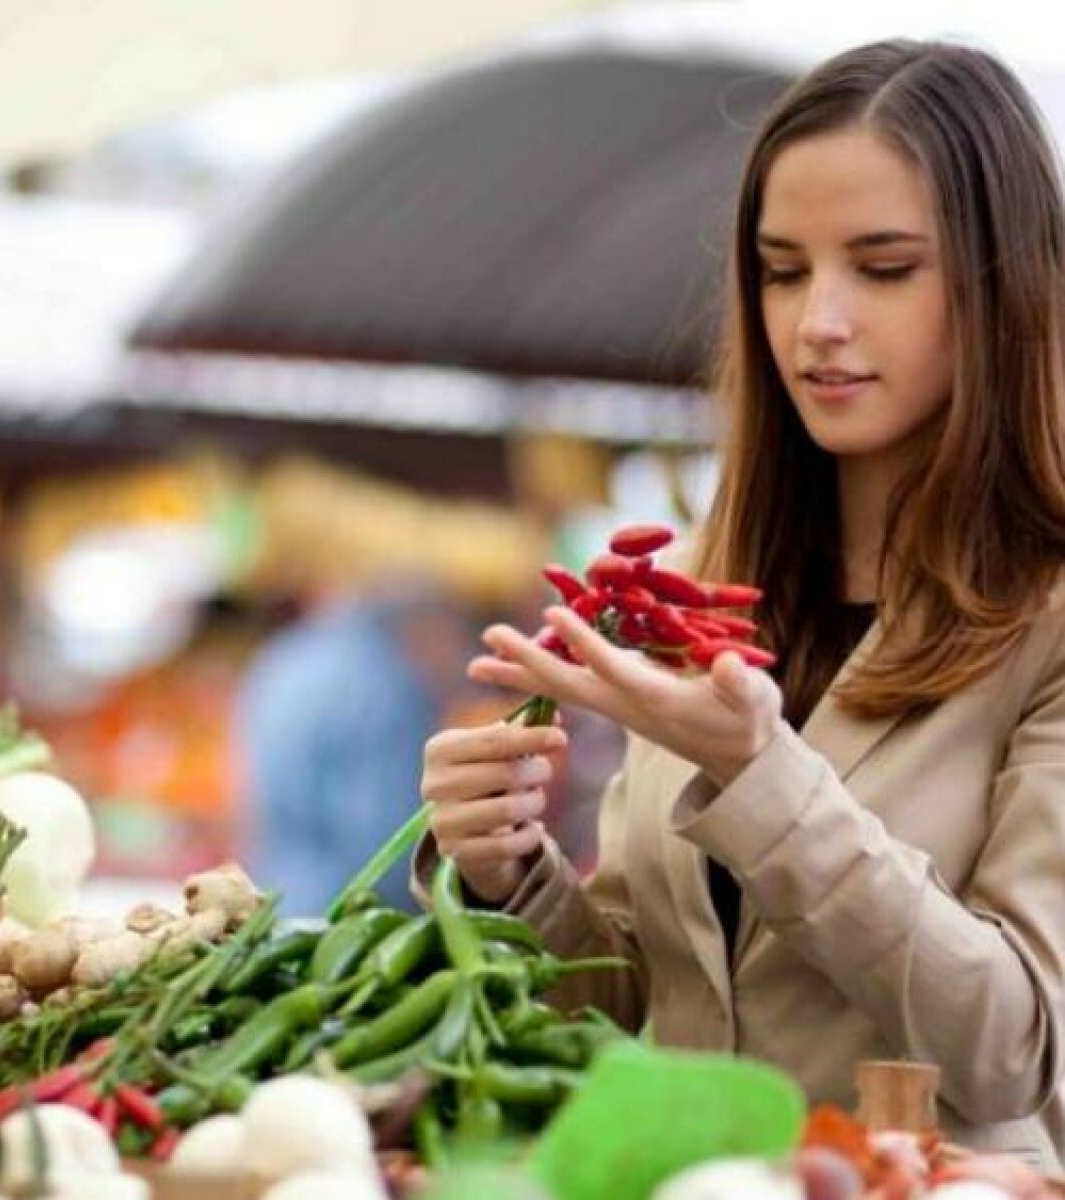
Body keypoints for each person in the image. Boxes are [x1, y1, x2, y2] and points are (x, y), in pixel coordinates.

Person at [415, 40, 1065, 1167]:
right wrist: (510, 872)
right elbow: (639, 1000)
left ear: (1006, 280)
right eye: (782, 270)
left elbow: (1014, 1046)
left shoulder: (1047, 615)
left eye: (884, 266)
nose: (818, 321)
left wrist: (764, 781)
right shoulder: (710, 594)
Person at [238, 578, 470, 916]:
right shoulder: (384, 682)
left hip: (277, 902)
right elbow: (386, 843)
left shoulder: (282, 657)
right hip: (349, 923)